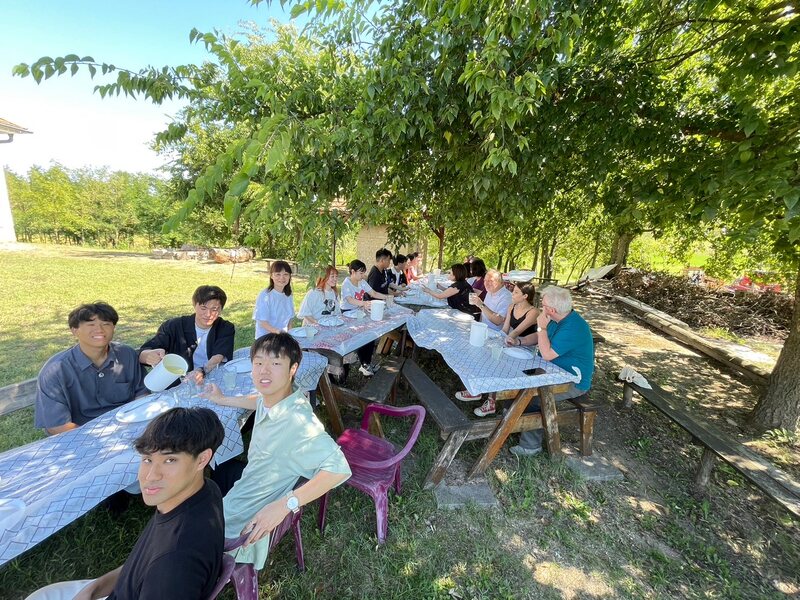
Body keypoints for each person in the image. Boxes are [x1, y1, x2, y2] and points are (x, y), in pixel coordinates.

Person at [28, 407, 226, 600]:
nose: (150, 476)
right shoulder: (205, 491)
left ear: (202, 459)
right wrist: (94, 589)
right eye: (147, 459)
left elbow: (161, 566)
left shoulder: (172, 565)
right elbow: (141, 565)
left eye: (170, 460)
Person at [203, 333, 350, 576]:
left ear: (293, 368)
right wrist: (221, 398)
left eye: (275, 363)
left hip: (239, 525)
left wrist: (286, 504)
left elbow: (339, 469)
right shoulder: (282, 397)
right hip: (247, 489)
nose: (264, 370)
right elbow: (259, 401)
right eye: (259, 362)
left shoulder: (298, 422)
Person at [506, 286, 595, 456]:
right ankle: (513, 422)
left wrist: (541, 327)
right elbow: (541, 338)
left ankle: (530, 446)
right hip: (553, 370)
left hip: (573, 381)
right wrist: (520, 341)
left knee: (533, 397)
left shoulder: (573, 327)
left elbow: (546, 353)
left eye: (543, 305)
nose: (541, 307)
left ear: (552, 310)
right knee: (514, 379)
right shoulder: (558, 318)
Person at [35, 302, 147, 435]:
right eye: (91, 324)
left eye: (106, 324)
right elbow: (57, 426)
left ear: (114, 328)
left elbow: (142, 395)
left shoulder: (126, 354)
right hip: (80, 436)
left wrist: (136, 424)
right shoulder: (55, 370)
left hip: (130, 429)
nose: (99, 329)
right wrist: (100, 437)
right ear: (74, 330)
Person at [463, 282, 540, 416]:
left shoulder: (534, 312)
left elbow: (516, 331)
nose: (512, 294)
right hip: (511, 344)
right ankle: (477, 389)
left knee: (496, 359)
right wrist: (493, 339)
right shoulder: (511, 307)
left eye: (516, 292)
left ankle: (490, 402)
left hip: (526, 350)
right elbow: (505, 330)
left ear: (525, 296)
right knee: (487, 352)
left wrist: (502, 342)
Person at [139, 285, 234, 384]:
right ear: (194, 305)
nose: (208, 314)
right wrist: (146, 355)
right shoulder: (173, 326)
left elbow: (218, 356)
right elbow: (144, 352)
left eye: (214, 309)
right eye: (203, 308)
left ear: (221, 310)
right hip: (178, 382)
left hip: (213, 376)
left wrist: (202, 371)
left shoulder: (225, 328)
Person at [341, 259, 391, 376]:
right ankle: (364, 364)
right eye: (361, 272)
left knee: (370, 334)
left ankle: (366, 363)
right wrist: (363, 303)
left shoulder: (362, 282)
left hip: (359, 312)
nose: (363, 275)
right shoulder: (346, 283)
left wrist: (387, 297)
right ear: (352, 272)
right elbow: (349, 300)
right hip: (347, 313)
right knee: (360, 337)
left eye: (364, 272)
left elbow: (373, 293)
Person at [253, 260, 295, 336]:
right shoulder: (265, 295)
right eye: (278, 274)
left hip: (282, 336)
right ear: (271, 276)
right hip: (266, 338)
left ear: (289, 276)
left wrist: (290, 334)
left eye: (286, 274)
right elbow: (263, 322)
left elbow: (290, 319)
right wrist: (279, 332)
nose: (282, 278)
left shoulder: (288, 295)